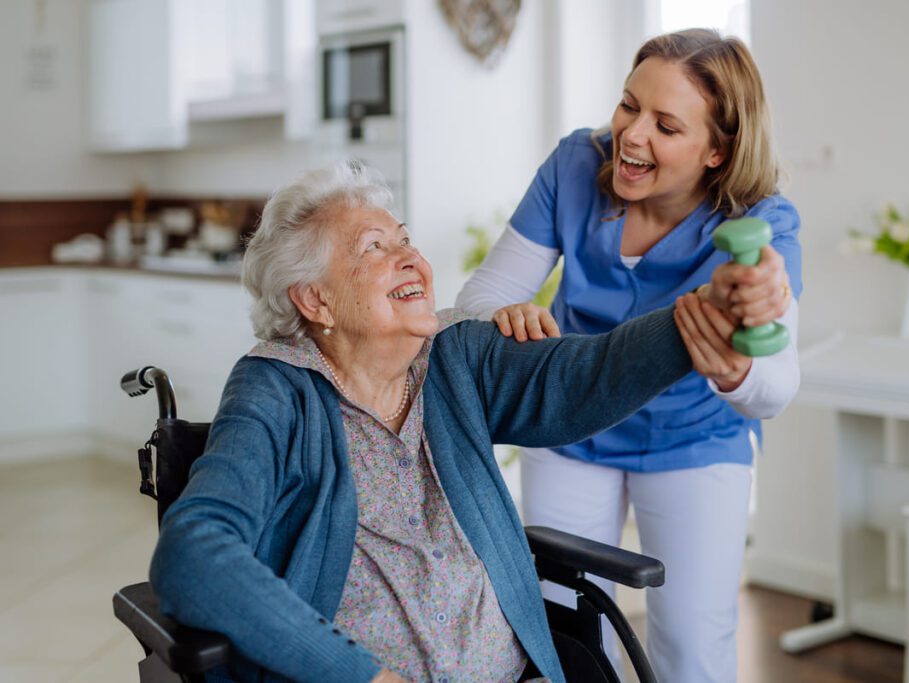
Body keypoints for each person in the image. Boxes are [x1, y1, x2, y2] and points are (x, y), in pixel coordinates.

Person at [149, 160, 714, 683]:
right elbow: (194, 554)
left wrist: (704, 318)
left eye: (405, 240)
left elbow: (583, 378)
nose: (410, 258)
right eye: (373, 248)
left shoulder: (453, 354)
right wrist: (361, 678)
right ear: (315, 301)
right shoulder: (275, 390)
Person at [455, 29, 802, 683]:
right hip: (573, 430)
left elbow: (778, 385)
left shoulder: (762, 223)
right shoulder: (575, 166)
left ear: (716, 151)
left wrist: (738, 368)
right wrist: (506, 314)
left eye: (666, 126)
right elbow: (482, 295)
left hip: (694, 438)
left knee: (693, 648)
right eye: (628, 105)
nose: (631, 135)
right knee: (565, 631)